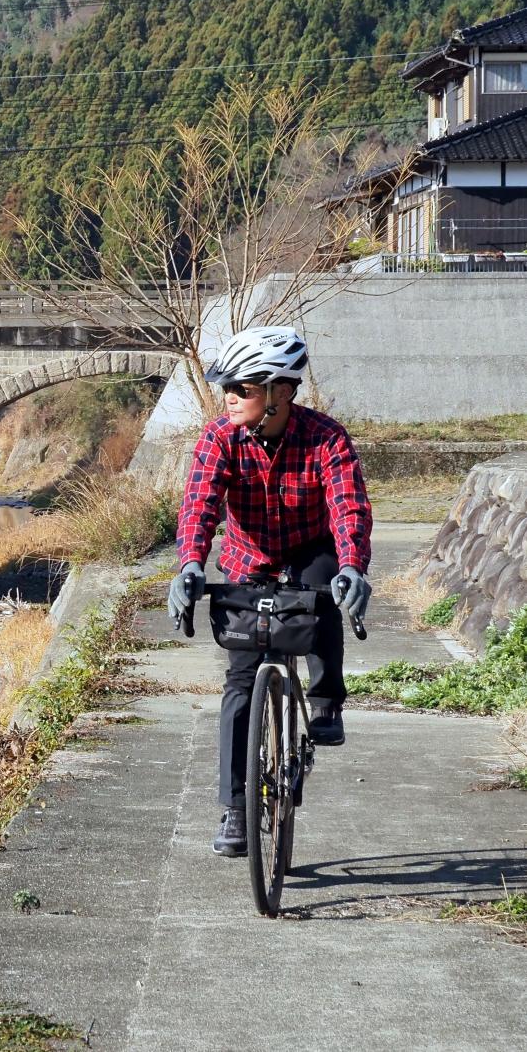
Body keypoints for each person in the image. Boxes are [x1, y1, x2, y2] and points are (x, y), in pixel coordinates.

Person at [165, 325, 373, 857]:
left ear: (282, 391)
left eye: (245, 387)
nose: (230, 397)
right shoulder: (220, 438)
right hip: (247, 558)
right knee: (239, 681)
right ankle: (237, 808)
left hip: (311, 548)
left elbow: (348, 507)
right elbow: (200, 505)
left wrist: (353, 566)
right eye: (226, 387)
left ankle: (326, 705)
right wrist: (189, 563)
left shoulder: (326, 437)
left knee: (323, 590)